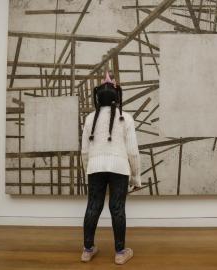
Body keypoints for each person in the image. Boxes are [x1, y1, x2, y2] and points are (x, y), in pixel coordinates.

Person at [80, 71, 142, 265]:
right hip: (120, 166)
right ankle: (120, 253)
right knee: (117, 208)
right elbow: (132, 151)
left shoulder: (90, 118)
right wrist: (136, 176)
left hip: (95, 166)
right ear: (117, 95)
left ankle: (87, 250)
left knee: (93, 207)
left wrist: (87, 169)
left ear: (98, 96)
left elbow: (84, 151)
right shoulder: (127, 118)